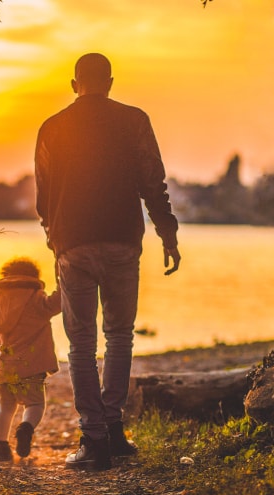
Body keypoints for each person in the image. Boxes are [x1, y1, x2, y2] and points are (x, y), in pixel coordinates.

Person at [34, 52, 181, 471]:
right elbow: (153, 181)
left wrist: (54, 238)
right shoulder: (134, 120)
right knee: (119, 335)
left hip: (73, 245)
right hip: (121, 241)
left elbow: (44, 194)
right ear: (110, 82)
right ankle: (113, 429)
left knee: (81, 343)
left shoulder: (52, 127)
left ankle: (94, 438)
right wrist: (167, 233)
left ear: (74, 84)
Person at [0, 257, 62, 462]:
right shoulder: (35, 297)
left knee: (4, 408)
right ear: (33, 277)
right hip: (31, 366)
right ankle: (26, 428)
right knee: (34, 405)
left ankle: (0, 447)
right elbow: (59, 302)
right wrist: (62, 276)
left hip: (2, 366)